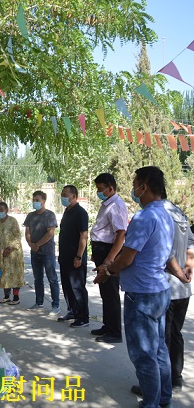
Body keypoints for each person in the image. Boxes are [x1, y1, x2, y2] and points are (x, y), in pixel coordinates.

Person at [94, 166, 186, 408]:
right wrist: (180, 274)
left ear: (144, 187)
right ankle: (162, 397)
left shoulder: (144, 217)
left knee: (144, 355)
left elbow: (126, 258)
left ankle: (151, 402)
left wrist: (108, 271)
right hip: (160, 291)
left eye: (135, 185)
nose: (133, 189)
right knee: (159, 350)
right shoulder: (165, 214)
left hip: (142, 294)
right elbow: (168, 255)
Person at [130, 195, 193, 397]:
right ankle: (174, 378)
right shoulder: (179, 213)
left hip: (164, 285)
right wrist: (188, 266)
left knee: (159, 342)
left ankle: (155, 387)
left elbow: (166, 253)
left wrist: (179, 273)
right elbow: (190, 243)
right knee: (174, 334)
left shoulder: (158, 215)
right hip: (182, 288)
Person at [90, 173, 127, 343]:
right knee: (105, 291)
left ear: (110, 188)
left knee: (111, 292)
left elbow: (121, 234)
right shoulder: (107, 204)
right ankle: (107, 325)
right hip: (102, 250)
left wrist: (109, 259)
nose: (98, 192)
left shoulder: (116, 206)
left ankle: (114, 332)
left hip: (109, 252)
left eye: (100, 189)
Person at [23, 190, 61, 314]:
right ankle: (39, 302)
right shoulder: (30, 216)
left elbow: (50, 233)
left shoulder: (50, 215)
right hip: (35, 252)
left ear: (43, 201)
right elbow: (27, 232)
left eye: (37, 200)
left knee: (52, 278)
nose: (35, 202)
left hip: (47, 252)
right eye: (34, 200)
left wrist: (37, 244)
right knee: (37, 278)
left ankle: (56, 305)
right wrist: (31, 244)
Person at [57, 185, 89, 327]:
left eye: (65, 195)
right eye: (62, 195)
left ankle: (83, 317)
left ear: (74, 196)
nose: (63, 197)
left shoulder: (80, 213)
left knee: (77, 287)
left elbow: (83, 236)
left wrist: (79, 256)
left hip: (75, 257)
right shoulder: (67, 211)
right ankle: (73, 311)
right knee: (67, 286)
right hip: (65, 256)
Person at [0, 201, 24, 305]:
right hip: (3, 253)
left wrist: (9, 248)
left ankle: (16, 297)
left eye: (1, 210)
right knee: (4, 274)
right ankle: (6, 296)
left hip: (14, 252)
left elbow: (17, 237)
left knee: (15, 274)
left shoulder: (12, 221)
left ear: (6, 210)